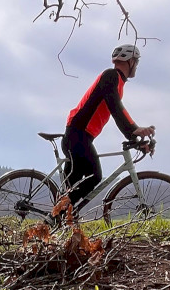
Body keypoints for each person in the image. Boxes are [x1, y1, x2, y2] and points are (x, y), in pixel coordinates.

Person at [57, 43, 154, 219]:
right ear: (130, 61)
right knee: (94, 176)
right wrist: (135, 130)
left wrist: (136, 140)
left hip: (79, 136)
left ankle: (58, 220)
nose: (137, 66)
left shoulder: (115, 81)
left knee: (72, 188)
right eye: (137, 62)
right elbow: (116, 108)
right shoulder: (111, 76)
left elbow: (117, 110)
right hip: (78, 135)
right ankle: (55, 215)